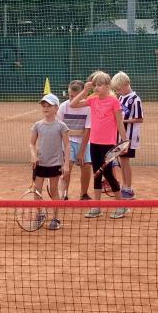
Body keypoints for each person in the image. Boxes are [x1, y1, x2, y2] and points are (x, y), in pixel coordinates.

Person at [68, 71, 125, 219]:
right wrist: (85, 91)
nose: (97, 88)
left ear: (107, 86)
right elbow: (73, 104)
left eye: (100, 85)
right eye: (95, 85)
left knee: (108, 174)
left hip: (109, 144)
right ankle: (96, 206)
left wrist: (125, 143)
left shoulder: (114, 101)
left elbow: (119, 123)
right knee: (97, 174)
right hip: (94, 143)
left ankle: (121, 206)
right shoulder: (92, 100)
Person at [28, 93, 71, 230]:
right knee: (37, 191)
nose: (45, 108)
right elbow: (32, 143)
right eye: (44, 106)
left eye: (49, 106)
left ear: (56, 108)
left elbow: (67, 145)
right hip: (40, 163)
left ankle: (56, 218)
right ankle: (39, 214)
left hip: (55, 163)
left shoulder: (61, 126)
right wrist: (33, 155)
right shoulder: (37, 125)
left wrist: (66, 164)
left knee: (53, 191)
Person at [110, 71, 143, 199]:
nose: (118, 91)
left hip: (129, 137)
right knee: (122, 161)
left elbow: (140, 119)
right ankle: (124, 187)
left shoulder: (136, 100)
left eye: (119, 88)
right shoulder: (121, 98)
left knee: (125, 161)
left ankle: (128, 188)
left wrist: (122, 121)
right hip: (119, 136)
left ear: (126, 84)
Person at [57, 80, 92, 201]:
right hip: (68, 142)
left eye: (75, 96)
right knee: (67, 167)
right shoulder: (63, 107)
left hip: (84, 142)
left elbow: (87, 131)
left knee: (87, 166)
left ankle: (84, 194)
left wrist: (82, 152)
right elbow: (59, 128)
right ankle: (64, 194)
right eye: (70, 95)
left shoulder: (88, 107)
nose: (72, 98)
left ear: (83, 94)